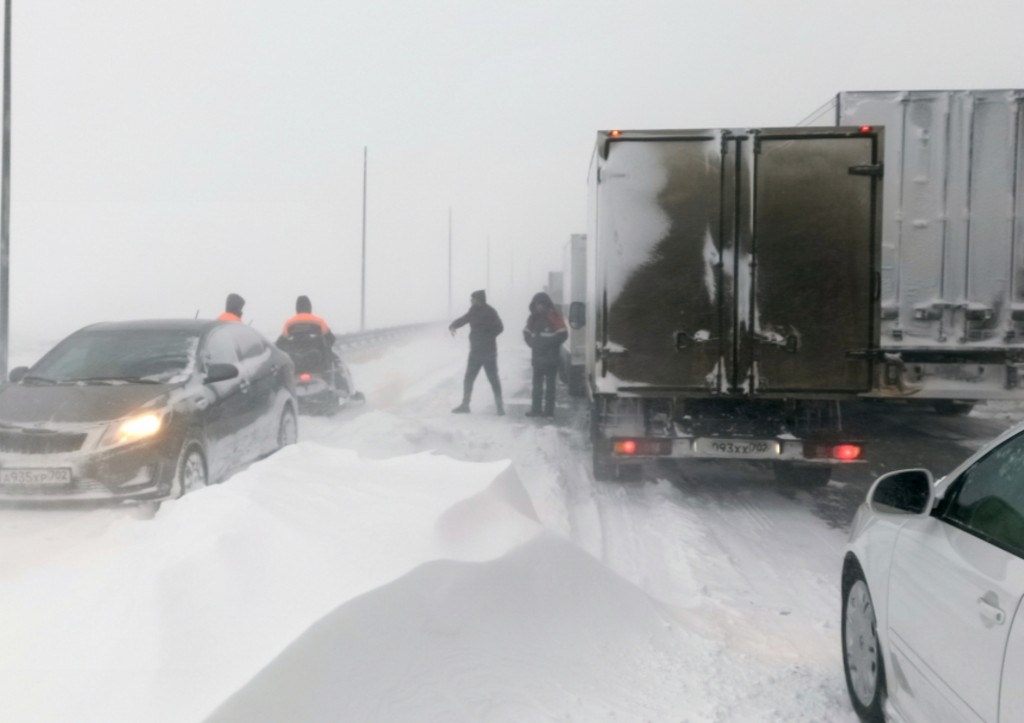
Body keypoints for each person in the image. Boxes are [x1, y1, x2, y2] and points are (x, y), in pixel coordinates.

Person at [449, 290, 504, 415]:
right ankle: (465, 405)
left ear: (478, 299)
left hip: (489, 352)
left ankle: (500, 407)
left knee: (493, 379)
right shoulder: (473, 310)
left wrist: (487, 336)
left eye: (472, 299)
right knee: (469, 378)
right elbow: (464, 319)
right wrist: (453, 325)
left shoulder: (490, 312)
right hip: (475, 352)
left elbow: (500, 327)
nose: (470, 301)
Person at [523, 291, 567, 418]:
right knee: (536, 386)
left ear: (546, 304)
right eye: (537, 304)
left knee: (550, 387)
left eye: (541, 304)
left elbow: (563, 334)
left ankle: (549, 412)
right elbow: (526, 333)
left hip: (551, 358)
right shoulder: (532, 318)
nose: (539, 306)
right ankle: (536, 410)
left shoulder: (554, 316)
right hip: (537, 359)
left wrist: (546, 343)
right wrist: (532, 343)